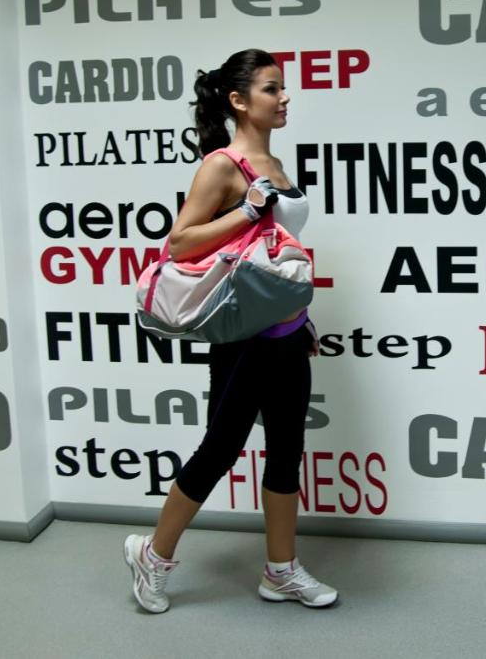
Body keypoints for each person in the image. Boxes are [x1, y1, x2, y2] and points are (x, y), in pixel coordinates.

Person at [123, 48, 337, 612]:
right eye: (272, 88)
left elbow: (275, 256)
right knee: (220, 450)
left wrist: (301, 319)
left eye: (283, 87)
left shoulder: (275, 163)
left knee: (287, 451)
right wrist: (246, 210)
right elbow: (179, 244)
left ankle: (280, 571)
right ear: (239, 101)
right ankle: (153, 556)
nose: (285, 97)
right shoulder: (222, 166)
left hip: (287, 334)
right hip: (242, 339)